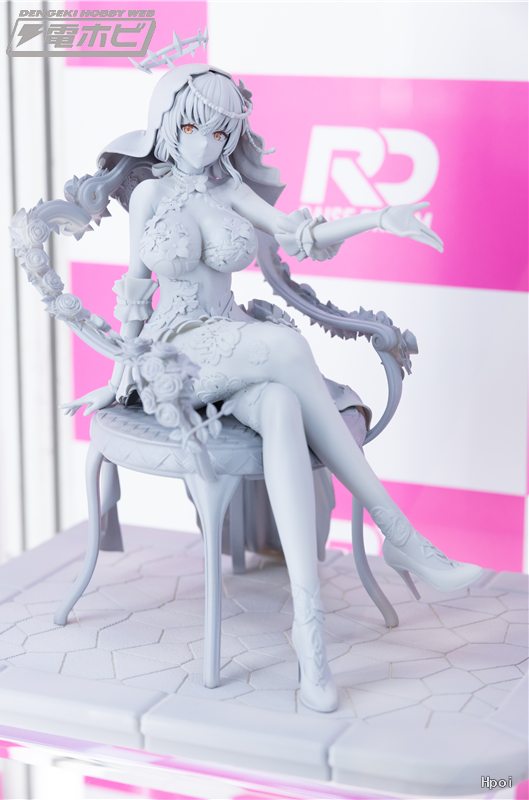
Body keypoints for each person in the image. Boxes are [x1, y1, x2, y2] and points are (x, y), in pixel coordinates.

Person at [62, 63, 483, 713]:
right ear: (168, 123)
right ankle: (398, 531)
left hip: (233, 342)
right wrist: (118, 379)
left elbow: (297, 235)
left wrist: (377, 219)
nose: (208, 145)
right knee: (285, 348)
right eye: (196, 128)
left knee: (284, 404)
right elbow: (134, 297)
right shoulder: (149, 196)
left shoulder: (229, 190)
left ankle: (310, 643)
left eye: (222, 133)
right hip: (177, 354)